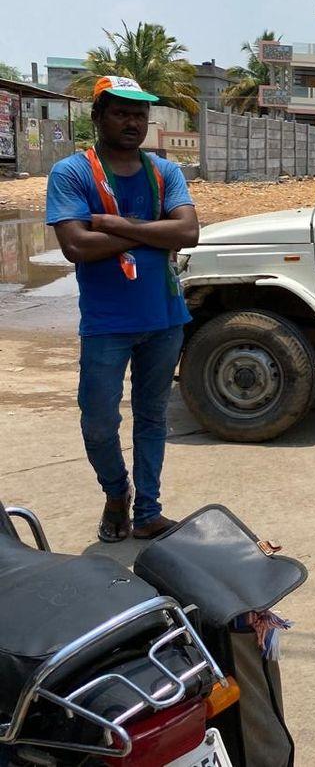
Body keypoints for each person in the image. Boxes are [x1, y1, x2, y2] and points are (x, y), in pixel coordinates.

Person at [45, 77, 199, 542]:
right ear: (98, 117)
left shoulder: (163, 173)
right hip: (106, 324)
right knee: (97, 421)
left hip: (165, 318)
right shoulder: (72, 173)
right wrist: (152, 230)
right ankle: (117, 493)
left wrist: (113, 225)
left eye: (139, 114)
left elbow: (189, 233)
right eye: (121, 113)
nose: (133, 122)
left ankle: (148, 511)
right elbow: (75, 245)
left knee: (152, 418)